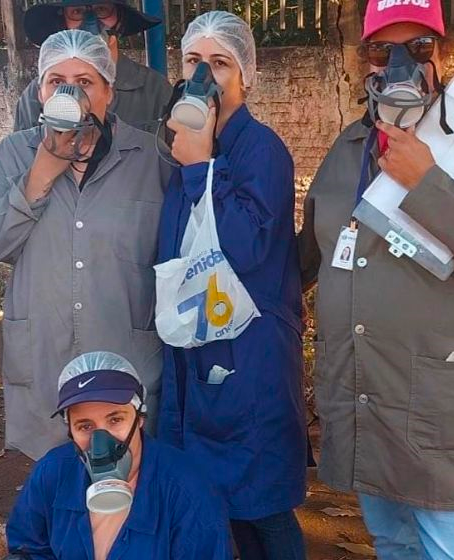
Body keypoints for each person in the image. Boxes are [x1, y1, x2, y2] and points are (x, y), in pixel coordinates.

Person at [298, 1, 454, 559]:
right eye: (382, 50)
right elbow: (306, 260)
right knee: (393, 546)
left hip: (439, 415)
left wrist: (427, 182)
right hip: (367, 403)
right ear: (363, 61)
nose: (398, 65)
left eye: (418, 49)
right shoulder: (347, 151)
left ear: (443, 54)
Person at [0, 29, 169, 460]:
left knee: (126, 493)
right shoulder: (13, 155)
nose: (71, 92)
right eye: (57, 82)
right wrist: (41, 172)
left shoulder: (149, 158)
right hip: (44, 366)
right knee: (56, 501)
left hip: (124, 364)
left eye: (86, 81)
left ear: (109, 92)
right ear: (40, 92)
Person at [156, 11, 308, 560]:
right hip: (199, 349)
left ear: (246, 78)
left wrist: (200, 172)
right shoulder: (186, 144)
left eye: (219, 63)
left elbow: (245, 248)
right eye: (193, 62)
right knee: (224, 506)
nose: (204, 75)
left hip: (250, 354)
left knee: (263, 506)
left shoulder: (260, 150)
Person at [4, 351, 232, 560]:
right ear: (70, 429)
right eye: (85, 426)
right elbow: (28, 549)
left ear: (140, 417)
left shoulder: (188, 491)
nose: (101, 441)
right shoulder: (52, 473)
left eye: (115, 420)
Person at [15, 0, 172, 133]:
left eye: (102, 9)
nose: (91, 23)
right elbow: (21, 160)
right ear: (63, 20)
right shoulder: (37, 95)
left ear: (120, 19)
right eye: (77, 12)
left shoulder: (155, 89)